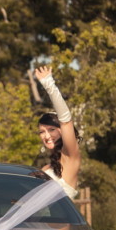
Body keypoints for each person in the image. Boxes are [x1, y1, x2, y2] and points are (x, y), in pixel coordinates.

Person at [34, 65, 82, 200]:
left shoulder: (71, 157)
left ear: (62, 131)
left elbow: (66, 120)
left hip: (62, 221)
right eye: (42, 132)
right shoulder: (45, 169)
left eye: (51, 130)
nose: (46, 136)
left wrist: (49, 85)